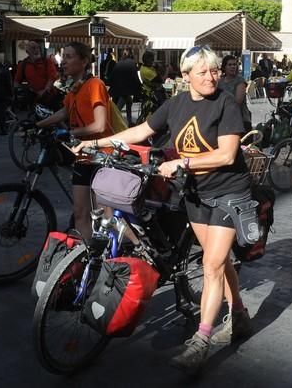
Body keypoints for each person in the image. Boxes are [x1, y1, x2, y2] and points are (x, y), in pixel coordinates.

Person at [73, 45, 255, 371]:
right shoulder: (176, 104)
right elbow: (141, 132)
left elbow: (227, 155)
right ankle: (239, 313)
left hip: (230, 192)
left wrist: (182, 162)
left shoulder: (225, 103)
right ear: (186, 76)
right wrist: (96, 142)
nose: (211, 76)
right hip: (196, 193)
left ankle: (200, 340)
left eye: (214, 70)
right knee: (219, 259)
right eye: (203, 72)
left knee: (212, 265)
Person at [37, 42, 114, 238]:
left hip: (102, 157)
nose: (63, 61)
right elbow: (64, 111)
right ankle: (87, 258)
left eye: (69, 56)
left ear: (84, 61)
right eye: (64, 56)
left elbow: (100, 125)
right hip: (82, 157)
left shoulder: (94, 85)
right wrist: (38, 125)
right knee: (80, 213)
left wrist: (72, 133)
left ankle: (114, 259)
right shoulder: (75, 89)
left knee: (105, 216)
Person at [14, 40, 58, 108]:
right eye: (33, 48)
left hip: (49, 97)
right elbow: (17, 81)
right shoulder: (23, 64)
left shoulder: (46, 61)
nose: (36, 50)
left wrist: (45, 90)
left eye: (38, 47)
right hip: (33, 99)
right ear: (27, 52)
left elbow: (52, 77)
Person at [218, 54, 252, 132]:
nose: (233, 67)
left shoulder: (240, 81)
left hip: (240, 119)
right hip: (223, 118)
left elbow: (238, 101)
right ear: (224, 67)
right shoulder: (220, 81)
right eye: (229, 65)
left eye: (234, 64)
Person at [108, 50, 141, 125]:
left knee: (128, 102)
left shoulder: (119, 62)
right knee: (119, 107)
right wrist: (138, 86)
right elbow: (134, 76)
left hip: (117, 88)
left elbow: (113, 75)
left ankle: (129, 121)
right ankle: (114, 121)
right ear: (131, 55)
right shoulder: (132, 63)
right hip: (125, 89)